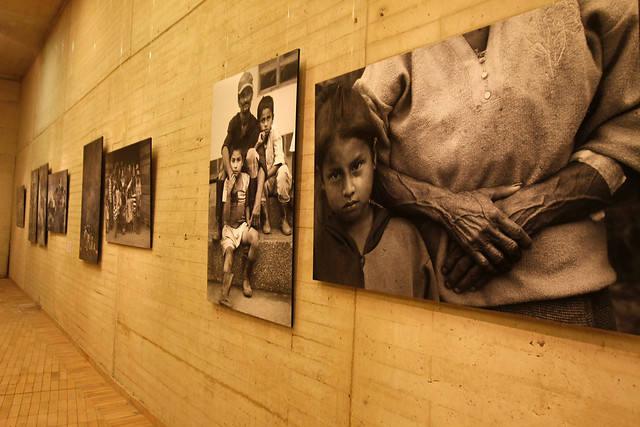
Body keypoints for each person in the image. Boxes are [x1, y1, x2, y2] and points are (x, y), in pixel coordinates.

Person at [352, 0, 640, 328]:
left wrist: (532, 207)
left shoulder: (588, 8)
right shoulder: (399, 27)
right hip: (439, 301)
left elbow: (629, 132)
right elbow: (354, 156)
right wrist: (442, 206)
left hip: (571, 300)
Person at [314, 84, 437, 299]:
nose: (349, 188)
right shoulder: (316, 252)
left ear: (372, 155)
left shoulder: (408, 240)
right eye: (335, 175)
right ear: (321, 179)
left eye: (356, 167)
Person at [216, 71, 266, 240]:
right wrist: (230, 173)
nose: (245, 99)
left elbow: (262, 165)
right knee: (220, 176)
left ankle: (251, 217)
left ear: (252, 96)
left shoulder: (255, 125)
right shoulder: (234, 122)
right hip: (234, 168)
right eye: (242, 96)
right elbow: (225, 148)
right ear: (238, 100)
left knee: (252, 157)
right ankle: (218, 224)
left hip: (247, 174)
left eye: (248, 94)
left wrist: (259, 200)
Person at [218, 148, 260, 307]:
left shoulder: (247, 179)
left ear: (243, 162)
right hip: (229, 229)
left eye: (238, 160)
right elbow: (225, 217)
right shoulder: (227, 183)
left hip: (242, 227)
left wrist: (249, 218)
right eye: (232, 161)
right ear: (229, 163)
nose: (235, 165)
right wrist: (228, 194)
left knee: (255, 239)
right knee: (229, 254)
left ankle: (245, 277)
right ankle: (224, 293)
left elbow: (247, 204)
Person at [255, 95, 293, 235]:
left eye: (268, 118)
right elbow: (254, 160)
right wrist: (258, 143)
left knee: (283, 172)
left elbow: (279, 160)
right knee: (261, 181)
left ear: (273, 117)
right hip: (267, 183)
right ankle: (266, 219)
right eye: (262, 120)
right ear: (258, 122)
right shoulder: (258, 135)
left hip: (275, 176)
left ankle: (283, 218)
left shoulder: (275, 131)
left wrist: (266, 175)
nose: (265, 123)